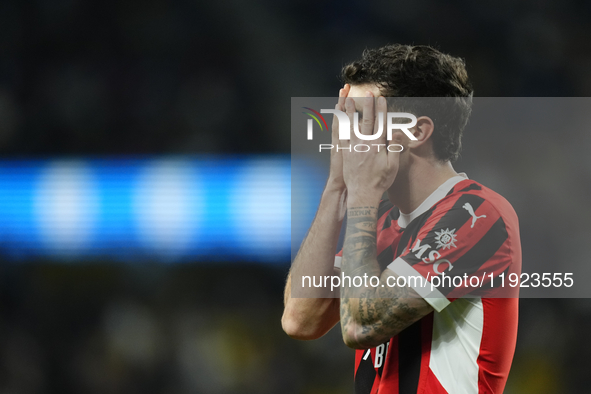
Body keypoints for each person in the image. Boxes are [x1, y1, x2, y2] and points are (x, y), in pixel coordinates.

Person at [282, 44, 521, 394]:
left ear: (416, 132)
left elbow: (361, 325)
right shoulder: (381, 222)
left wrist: (362, 194)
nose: (346, 136)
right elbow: (300, 318)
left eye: (361, 119)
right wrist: (337, 188)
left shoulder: (478, 214)